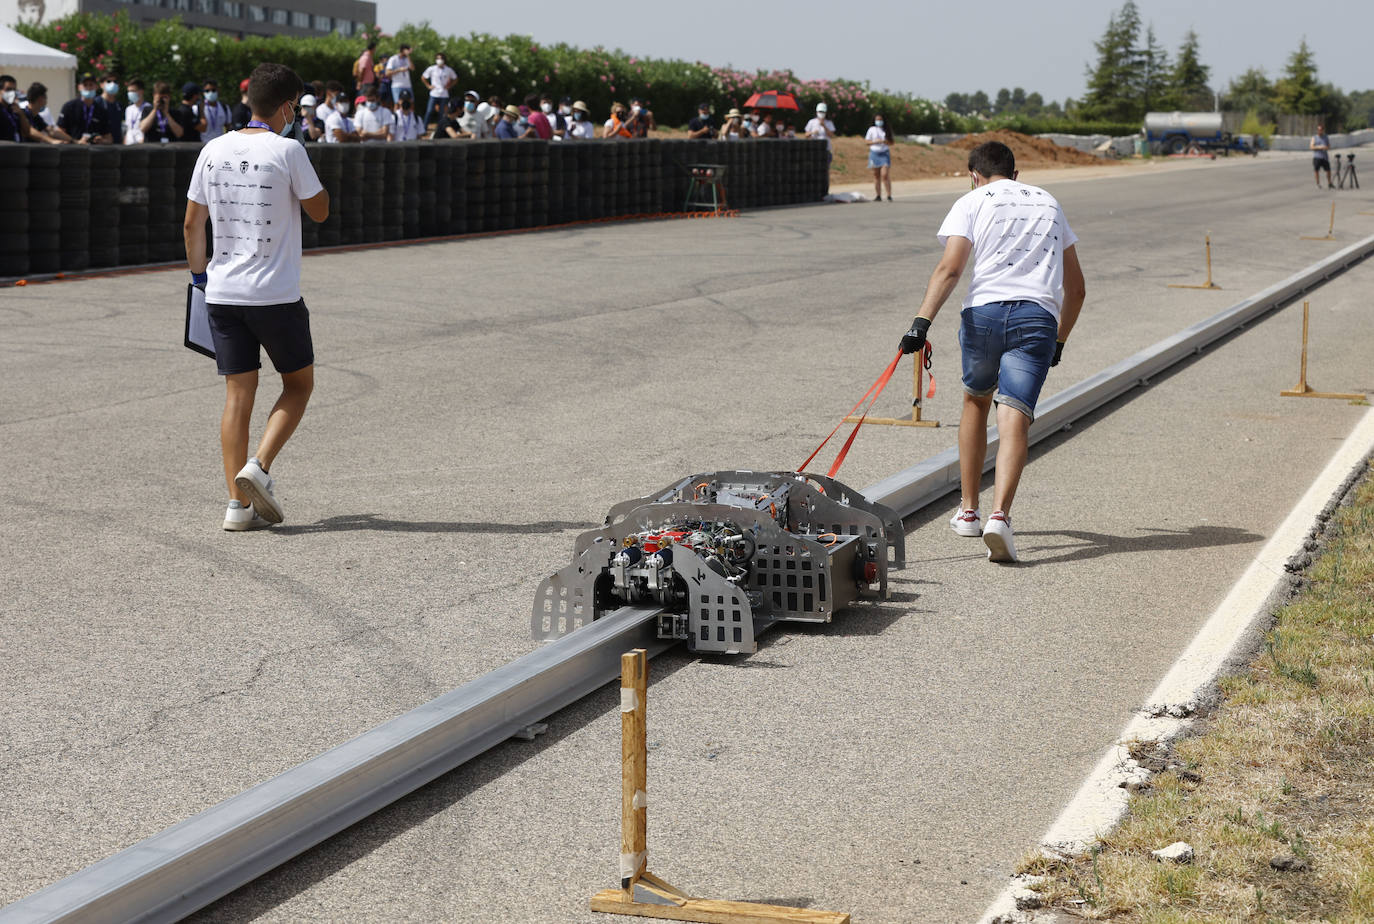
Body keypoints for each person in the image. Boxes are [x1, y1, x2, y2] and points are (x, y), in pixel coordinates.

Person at [897, 141, 1085, 563]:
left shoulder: (972, 200)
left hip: (983, 316)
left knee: (975, 402)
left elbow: (951, 268)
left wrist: (920, 324)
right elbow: (1076, 289)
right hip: (1036, 319)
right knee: (1015, 415)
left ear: (973, 175)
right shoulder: (1050, 204)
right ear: (1016, 175)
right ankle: (1000, 516)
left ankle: (968, 512)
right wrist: (1059, 340)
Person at [183, 62, 329, 531]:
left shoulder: (212, 149)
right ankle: (259, 468)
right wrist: (299, 151)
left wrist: (200, 280)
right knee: (298, 385)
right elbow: (321, 211)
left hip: (221, 293)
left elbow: (191, 224)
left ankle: (235, 507)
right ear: (287, 106)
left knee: (237, 396)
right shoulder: (287, 150)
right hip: (275, 296)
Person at [58, 73, 113, 144]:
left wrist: (101, 140)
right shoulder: (69, 106)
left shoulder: (101, 110)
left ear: (96, 87)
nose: (88, 88)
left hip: (94, 151)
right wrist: (75, 141)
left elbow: (109, 139)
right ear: (79, 87)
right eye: (85, 85)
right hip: (72, 149)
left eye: (91, 85)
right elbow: (59, 131)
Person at [421, 52, 456, 128]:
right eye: (438, 58)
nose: (439, 60)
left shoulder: (448, 70)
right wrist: (428, 86)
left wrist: (449, 86)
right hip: (434, 93)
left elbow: (455, 78)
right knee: (429, 111)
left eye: (441, 59)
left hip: (444, 94)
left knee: (441, 112)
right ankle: (424, 127)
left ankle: (440, 127)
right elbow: (423, 77)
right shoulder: (432, 69)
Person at [865, 113, 893, 201]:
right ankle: (878, 195)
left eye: (880, 120)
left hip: (884, 153)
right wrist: (875, 142)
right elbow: (867, 141)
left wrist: (884, 141)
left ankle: (889, 194)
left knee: (884, 174)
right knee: (876, 175)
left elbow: (891, 142)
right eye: (877, 120)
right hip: (874, 153)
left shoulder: (886, 130)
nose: (879, 122)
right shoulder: (871, 129)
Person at [98, 72, 124, 144]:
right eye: (109, 81)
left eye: (115, 82)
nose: (112, 84)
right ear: (101, 85)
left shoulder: (119, 105)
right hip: (100, 147)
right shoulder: (96, 103)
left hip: (118, 146)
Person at [1311, 124, 1333, 189]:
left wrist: (1325, 147)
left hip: (1324, 156)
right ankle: (1318, 183)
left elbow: (1329, 146)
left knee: (1328, 170)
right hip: (1317, 156)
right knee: (1316, 170)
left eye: (1321, 130)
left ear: (1323, 130)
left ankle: (1329, 183)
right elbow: (1311, 146)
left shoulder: (1326, 137)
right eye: (1318, 130)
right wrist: (1319, 147)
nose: (1319, 131)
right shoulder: (1314, 137)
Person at [124, 78, 146, 143]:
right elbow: (128, 129)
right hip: (129, 146)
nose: (130, 93)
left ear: (141, 91)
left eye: (133, 91)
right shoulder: (128, 109)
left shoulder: (148, 108)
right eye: (129, 91)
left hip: (142, 146)